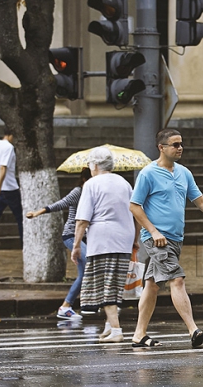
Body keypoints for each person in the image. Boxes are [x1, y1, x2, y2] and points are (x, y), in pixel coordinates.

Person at [130, 129, 203, 348]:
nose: (180, 148)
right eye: (175, 144)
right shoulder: (148, 173)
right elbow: (134, 206)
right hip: (157, 240)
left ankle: (139, 335)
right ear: (161, 147)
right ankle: (193, 330)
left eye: (181, 144)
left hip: (175, 239)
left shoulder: (184, 173)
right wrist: (153, 231)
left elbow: (200, 201)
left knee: (151, 285)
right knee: (177, 279)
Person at [72, 147, 139, 343]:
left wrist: (76, 245)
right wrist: (135, 239)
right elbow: (135, 211)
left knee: (104, 285)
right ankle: (109, 326)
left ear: (94, 165)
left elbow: (82, 219)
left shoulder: (92, 184)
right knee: (114, 283)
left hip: (103, 239)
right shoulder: (124, 183)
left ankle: (117, 331)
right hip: (124, 238)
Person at [26, 167, 92, 321]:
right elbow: (61, 204)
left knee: (83, 275)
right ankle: (90, 303)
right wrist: (38, 212)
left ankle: (66, 307)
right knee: (90, 262)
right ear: (84, 179)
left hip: (86, 237)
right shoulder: (78, 192)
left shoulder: (94, 193)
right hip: (71, 235)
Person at [0, 127, 22, 241]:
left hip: (4, 188)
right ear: (11, 135)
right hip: (9, 188)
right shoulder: (8, 147)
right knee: (20, 218)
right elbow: (3, 168)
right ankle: (25, 244)